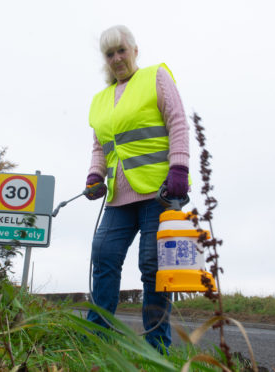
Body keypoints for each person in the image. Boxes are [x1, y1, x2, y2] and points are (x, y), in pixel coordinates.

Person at [85, 24, 190, 352]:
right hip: (118, 197)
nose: (116, 58)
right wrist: (94, 175)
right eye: (109, 53)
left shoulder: (155, 77)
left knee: (152, 265)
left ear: (134, 50)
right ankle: (95, 340)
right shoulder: (100, 100)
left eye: (121, 50)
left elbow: (177, 122)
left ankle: (157, 349)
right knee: (103, 255)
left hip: (158, 192)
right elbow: (100, 146)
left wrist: (179, 167)